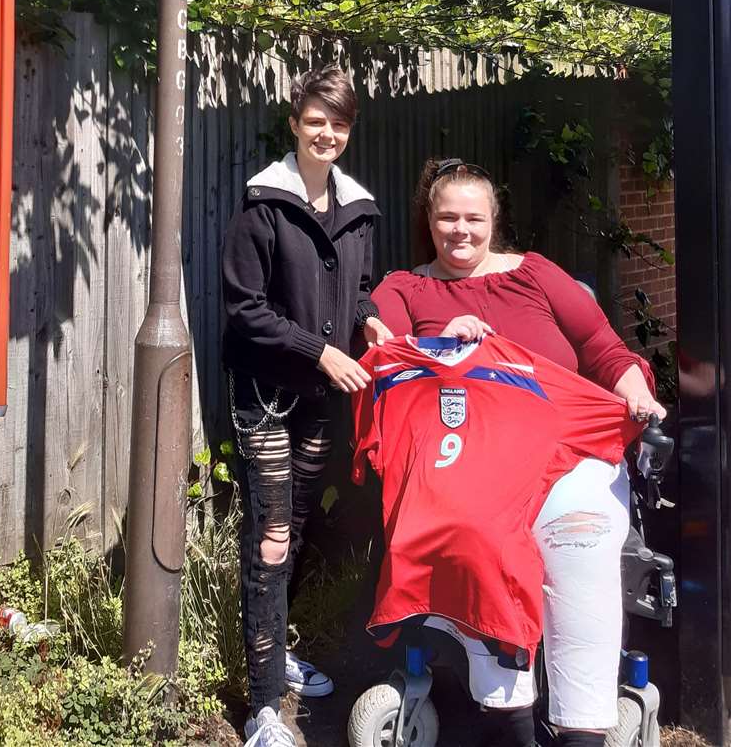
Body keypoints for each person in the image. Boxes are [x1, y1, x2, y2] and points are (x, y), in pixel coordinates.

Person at [370, 157, 666, 747]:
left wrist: (632, 388)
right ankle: (509, 723)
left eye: (473, 218)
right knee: (472, 537)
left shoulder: (534, 273)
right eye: (447, 217)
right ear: (428, 220)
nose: (461, 230)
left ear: (493, 219)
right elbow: (384, 352)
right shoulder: (404, 288)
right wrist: (436, 342)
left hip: (567, 447)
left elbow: (603, 348)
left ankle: (584, 728)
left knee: (578, 537)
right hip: (465, 465)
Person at [221, 65, 389, 747]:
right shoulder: (264, 205)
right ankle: (263, 706)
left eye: (339, 123)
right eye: (316, 120)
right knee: (271, 535)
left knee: (296, 523)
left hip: (321, 401)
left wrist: (370, 319)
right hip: (266, 393)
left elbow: (361, 290)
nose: (327, 132)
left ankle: (274, 655)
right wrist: (319, 352)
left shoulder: (358, 210)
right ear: (295, 123)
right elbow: (244, 311)